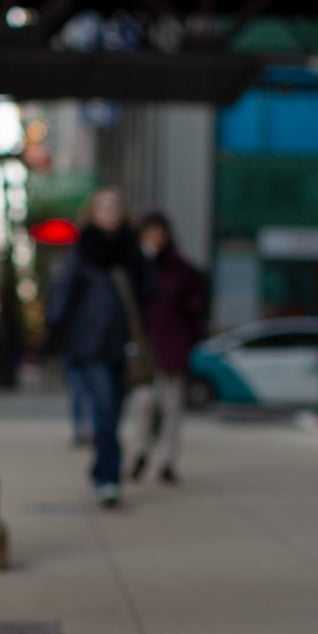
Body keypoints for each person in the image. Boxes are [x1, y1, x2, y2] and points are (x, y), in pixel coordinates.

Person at [46, 187, 142, 507]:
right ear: (92, 212)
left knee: (113, 414)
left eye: (115, 205)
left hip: (124, 346)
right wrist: (57, 333)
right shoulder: (82, 250)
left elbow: (149, 293)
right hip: (91, 345)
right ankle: (107, 478)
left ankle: (103, 470)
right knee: (105, 409)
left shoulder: (131, 251)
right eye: (103, 206)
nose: (110, 211)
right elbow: (63, 294)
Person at [128, 212, 207, 486]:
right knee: (144, 403)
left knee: (173, 406)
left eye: (158, 233)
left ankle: (167, 461)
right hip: (146, 348)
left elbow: (197, 306)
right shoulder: (137, 267)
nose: (154, 238)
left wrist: (188, 332)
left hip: (173, 346)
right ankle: (139, 452)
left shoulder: (182, 270)